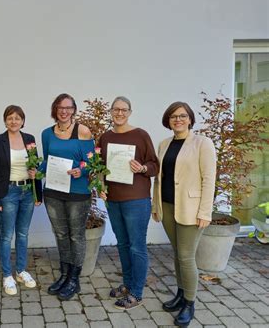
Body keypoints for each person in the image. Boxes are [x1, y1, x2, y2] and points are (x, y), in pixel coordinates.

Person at [152, 101, 216, 326]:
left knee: (186, 256)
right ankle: (181, 293)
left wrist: (205, 212)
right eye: (173, 117)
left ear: (190, 118)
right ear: (168, 121)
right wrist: (155, 205)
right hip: (168, 206)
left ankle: (190, 302)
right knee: (178, 252)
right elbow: (159, 179)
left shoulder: (202, 143)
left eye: (182, 116)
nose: (177, 119)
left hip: (191, 209)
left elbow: (209, 180)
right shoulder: (164, 144)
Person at [98, 96, 159, 310]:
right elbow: (100, 168)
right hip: (113, 200)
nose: (120, 113)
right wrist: (101, 188)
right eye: (116, 109)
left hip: (137, 200)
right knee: (123, 245)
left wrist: (142, 168)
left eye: (124, 110)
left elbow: (154, 165)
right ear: (111, 112)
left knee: (137, 246)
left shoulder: (141, 136)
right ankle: (128, 284)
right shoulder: (105, 138)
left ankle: (137, 293)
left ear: (130, 112)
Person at [41, 93, 94, 301]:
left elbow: (91, 162)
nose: (64, 111)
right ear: (55, 109)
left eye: (68, 108)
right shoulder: (47, 133)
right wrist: (37, 170)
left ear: (74, 110)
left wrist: (81, 170)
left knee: (76, 235)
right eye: (60, 107)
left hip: (78, 193)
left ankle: (74, 278)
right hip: (53, 192)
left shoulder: (82, 131)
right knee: (61, 234)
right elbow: (46, 161)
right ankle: (64, 274)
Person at [0, 105, 43, 295]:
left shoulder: (30, 140)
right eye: (10, 118)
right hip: (8, 192)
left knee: (23, 234)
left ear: (23, 121)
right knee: (6, 235)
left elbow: (36, 168)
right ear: (5, 121)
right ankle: (6, 275)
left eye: (17, 118)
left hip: (27, 191)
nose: (14, 121)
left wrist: (37, 193)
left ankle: (20, 271)